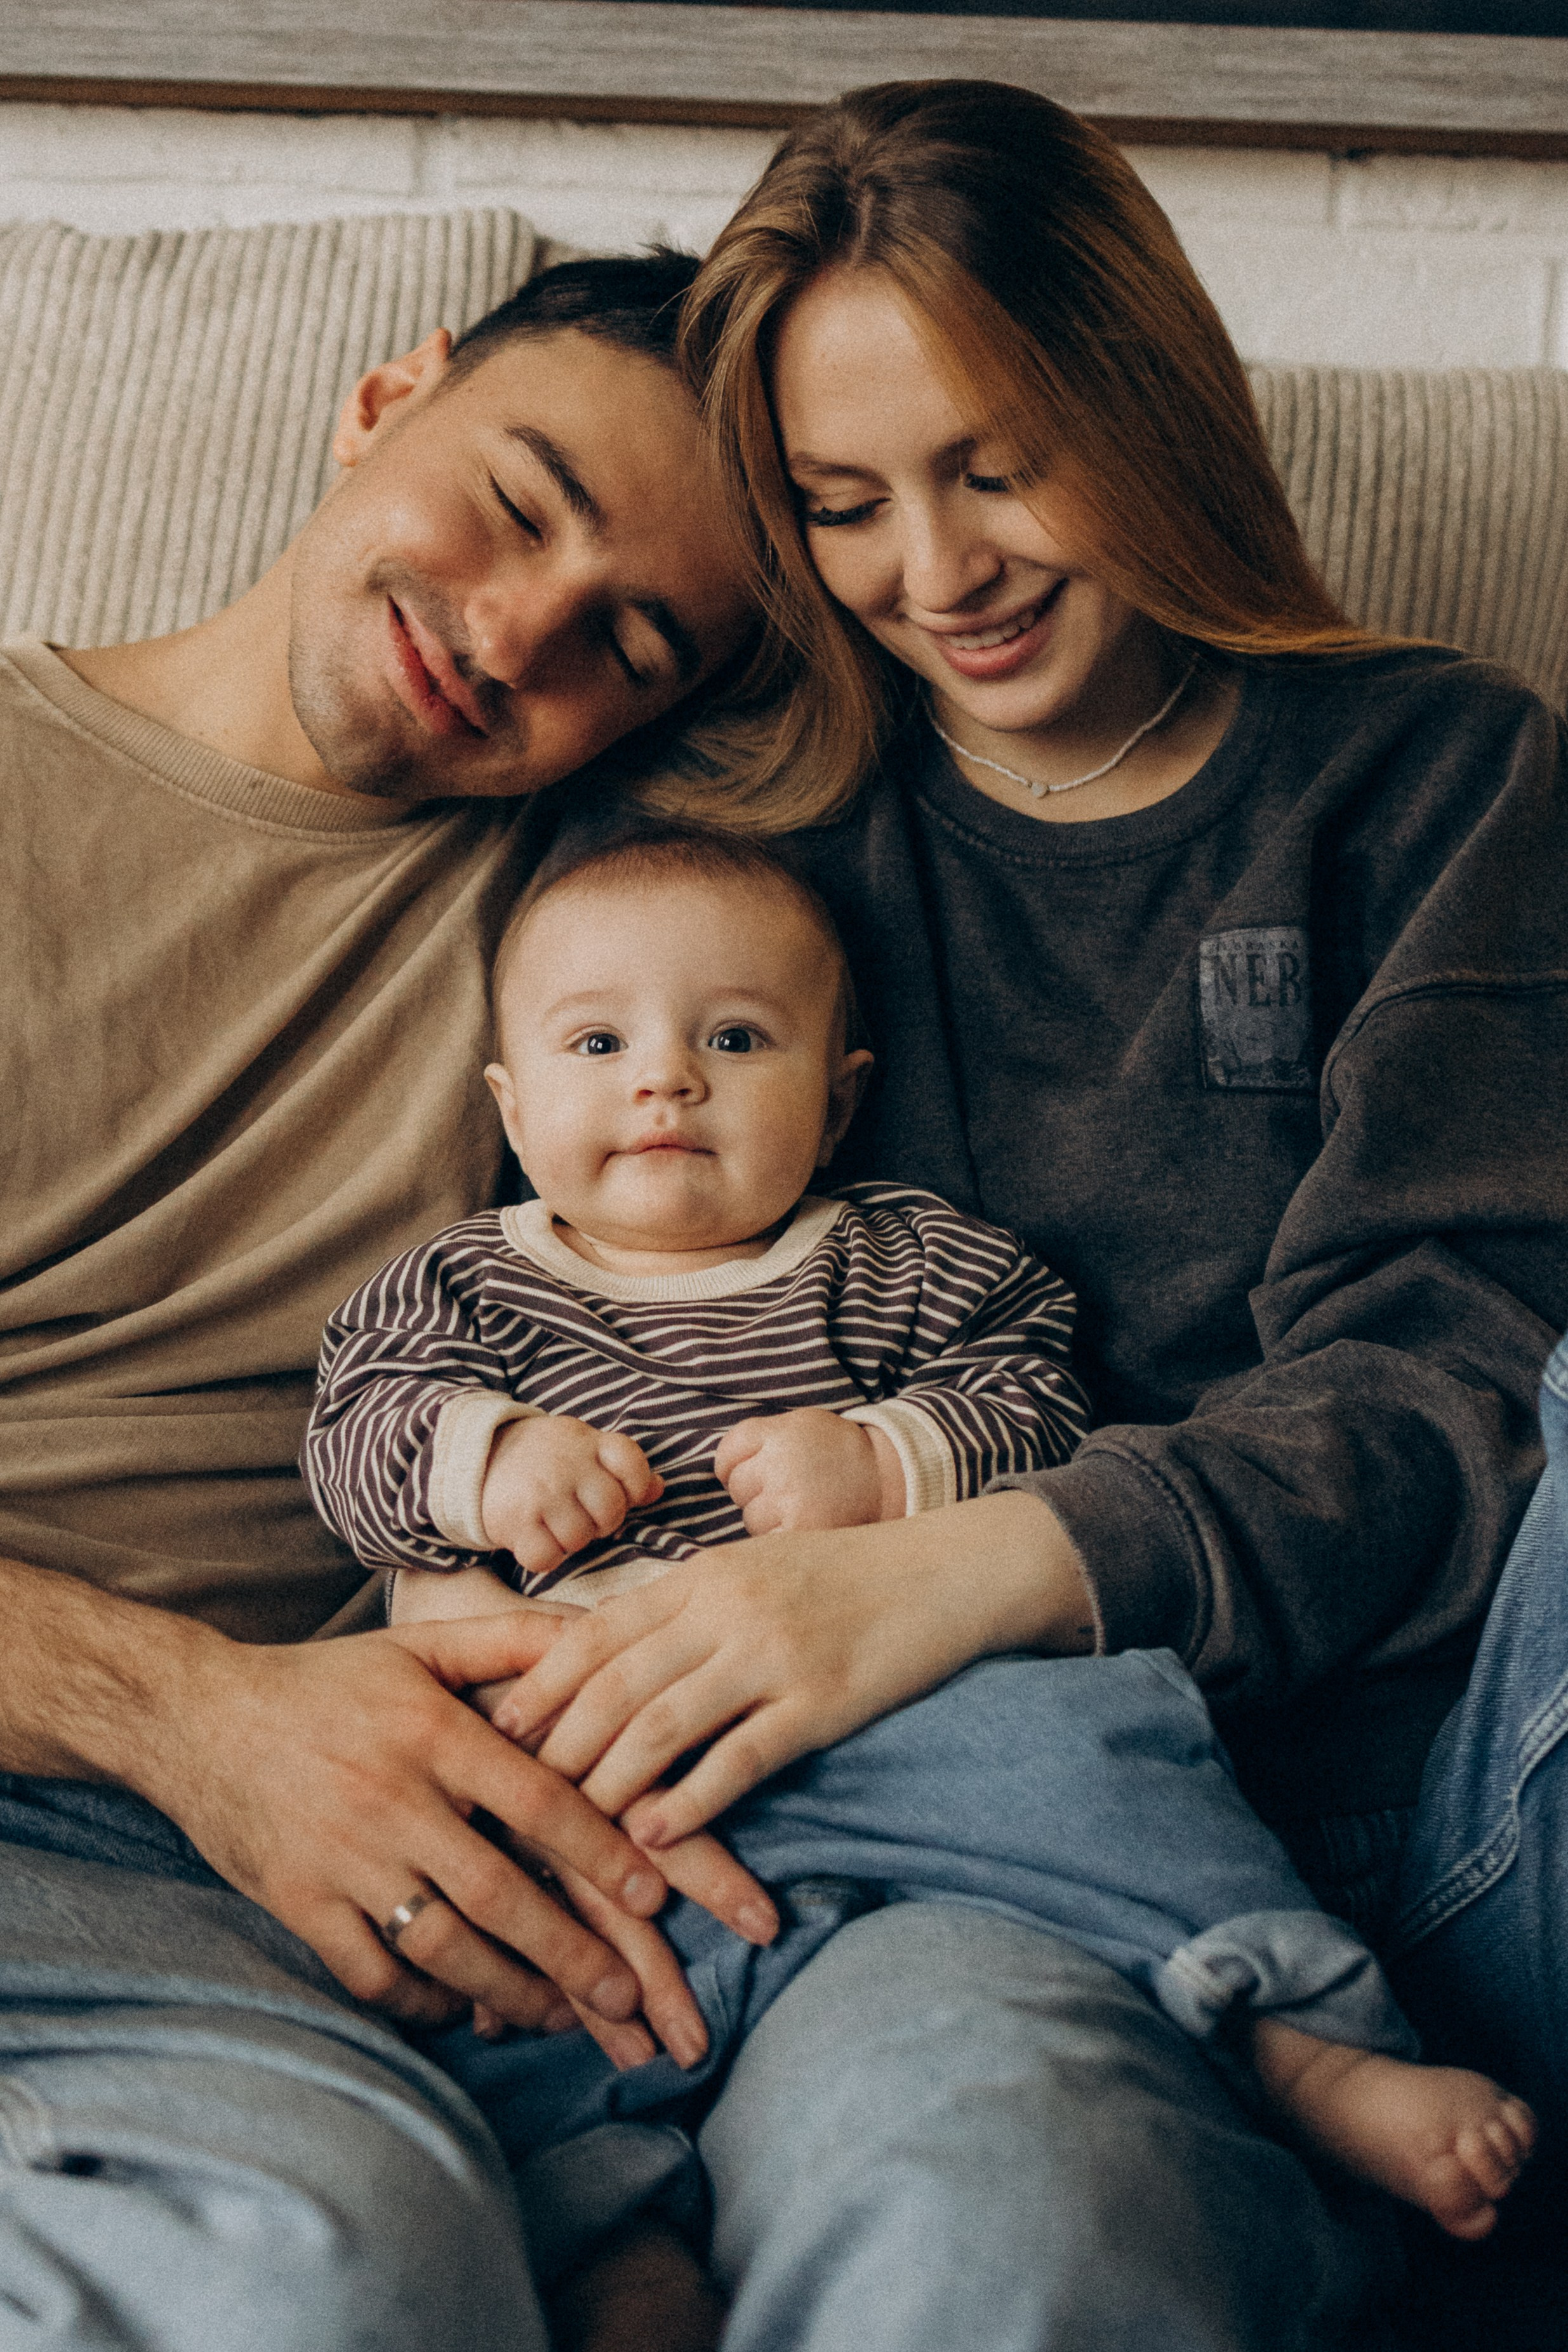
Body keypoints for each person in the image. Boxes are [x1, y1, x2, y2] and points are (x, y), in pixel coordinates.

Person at [470, 80, 1568, 2349]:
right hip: (938, 1835)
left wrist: (956, 1561)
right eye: (841, 504)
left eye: (997, 465)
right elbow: (523, 1302)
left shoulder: (1447, 774)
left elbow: (1457, 1379)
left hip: (1436, 1796)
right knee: (989, 2194)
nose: (935, 574)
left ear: (1149, 408)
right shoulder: (723, 865)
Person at [296, 820, 1532, 2346]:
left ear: (838, 1098)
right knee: (488, 1971)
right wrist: (481, 1463)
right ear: (508, 1097)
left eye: (734, 1037)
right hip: (584, 1753)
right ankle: (612, 2233)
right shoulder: (463, 1287)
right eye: (597, 1039)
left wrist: (885, 1462)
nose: (663, 1078)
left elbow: (1036, 1398)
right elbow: (352, 1439)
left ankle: (1287, 2033)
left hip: (893, 1718)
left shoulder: (904, 1261)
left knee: (1101, 1735)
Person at [0, 251, 797, 2352]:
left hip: (210, 1903)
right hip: (155, 1748)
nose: (521, 628)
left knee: (352, 2270)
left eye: (628, 641)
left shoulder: (616, 983)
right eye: (522, 503)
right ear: (383, 399)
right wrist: (193, 1713)